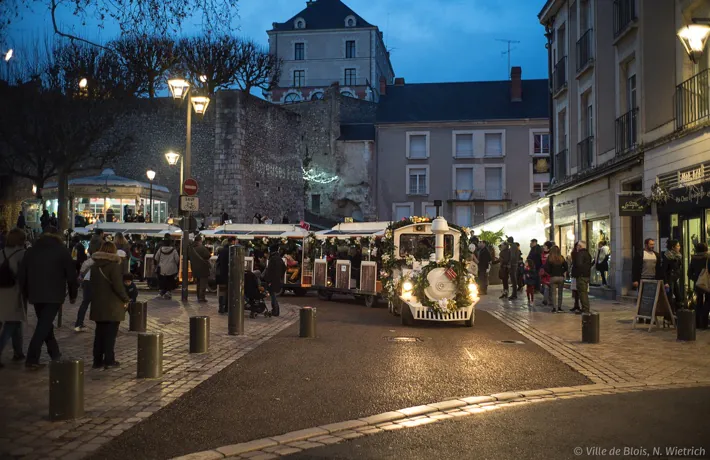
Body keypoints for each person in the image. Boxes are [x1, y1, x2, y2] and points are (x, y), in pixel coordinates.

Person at [19, 226, 78, 369]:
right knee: (43, 325)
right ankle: (32, 358)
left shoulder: (31, 251)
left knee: (45, 324)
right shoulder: (62, 251)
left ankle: (55, 354)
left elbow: (23, 274)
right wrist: (73, 295)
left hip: (36, 294)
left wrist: (25, 293)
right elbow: (71, 275)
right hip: (54, 294)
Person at [90, 242, 130, 369]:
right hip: (113, 304)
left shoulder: (95, 266)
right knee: (110, 335)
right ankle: (109, 359)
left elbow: (92, 285)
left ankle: (97, 360)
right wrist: (125, 298)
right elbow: (118, 286)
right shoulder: (114, 266)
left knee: (99, 333)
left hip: (98, 304)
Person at [0, 229, 28, 368]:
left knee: (16, 322)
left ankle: (18, 352)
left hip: (1, 291)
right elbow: (24, 275)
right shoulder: (21, 254)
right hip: (13, 292)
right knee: (11, 323)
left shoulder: (2, 252)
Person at [689, 242, 710, 329]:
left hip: (698, 284)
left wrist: (696, 279)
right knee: (708, 301)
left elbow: (689, 273)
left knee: (699, 302)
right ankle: (704, 322)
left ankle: (697, 323)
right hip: (708, 283)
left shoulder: (694, 258)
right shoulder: (708, 258)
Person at [262, 246, 286, 316]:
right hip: (277, 279)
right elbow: (284, 268)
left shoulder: (272, 259)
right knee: (273, 295)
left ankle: (275, 310)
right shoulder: (279, 258)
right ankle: (276, 310)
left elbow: (269, 271)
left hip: (272, 280)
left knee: (273, 295)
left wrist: (268, 280)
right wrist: (280, 276)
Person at [154, 235, 180, 299]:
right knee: (170, 280)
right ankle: (168, 292)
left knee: (163, 280)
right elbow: (177, 259)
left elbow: (156, 258)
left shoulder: (160, 249)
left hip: (162, 268)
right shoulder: (173, 250)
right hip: (171, 268)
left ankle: (162, 292)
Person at [544, 245, 568, 313]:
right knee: (560, 293)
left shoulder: (550, 258)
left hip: (553, 277)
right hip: (561, 277)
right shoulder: (561, 258)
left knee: (553, 293)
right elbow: (566, 267)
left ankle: (554, 308)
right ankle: (559, 308)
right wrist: (562, 271)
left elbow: (546, 268)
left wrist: (550, 272)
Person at [572, 241, 593, 314]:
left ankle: (585, 309)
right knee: (583, 293)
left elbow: (579, 265)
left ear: (580, 246)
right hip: (586, 275)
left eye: (577, 246)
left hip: (581, 276)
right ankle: (584, 308)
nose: (576, 247)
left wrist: (577, 272)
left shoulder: (580, 254)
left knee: (582, 293)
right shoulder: (587, 254)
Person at [661, 239, 683, 312]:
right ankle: (670, 315)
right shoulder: (667, 256)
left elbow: (679, 267)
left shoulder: (678, 255)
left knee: (679, 296)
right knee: (669, 297)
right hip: (669, 278)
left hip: (675, 278)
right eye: (677, 246)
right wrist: (666, 282)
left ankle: (677, 313)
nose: (679, 247)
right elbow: (664, 270)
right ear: (673, 247)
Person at [75, 251, 94, 332]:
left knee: (85, 302)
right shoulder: (106, 257)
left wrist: (81, 273)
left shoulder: (96, 256)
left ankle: (78, 324)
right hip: (94, 281)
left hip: (88, 279)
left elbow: (85, 264)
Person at [216, 237, 236, 313]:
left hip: (221, 274)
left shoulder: (221, 250)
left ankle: (221, 307)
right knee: (228, 292)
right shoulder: (231, 250)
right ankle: (227, 307)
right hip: (229, 274)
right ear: (233, 241)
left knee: (222, 291)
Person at [189, 235, 211, 302]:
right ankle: (201, 298)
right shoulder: (202, 248)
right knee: (203, 284)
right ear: (200, 241)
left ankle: (198, 296)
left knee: (198, 284)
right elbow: (208, 255)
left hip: (195, 269)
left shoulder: (191, 248)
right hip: (203, 268)